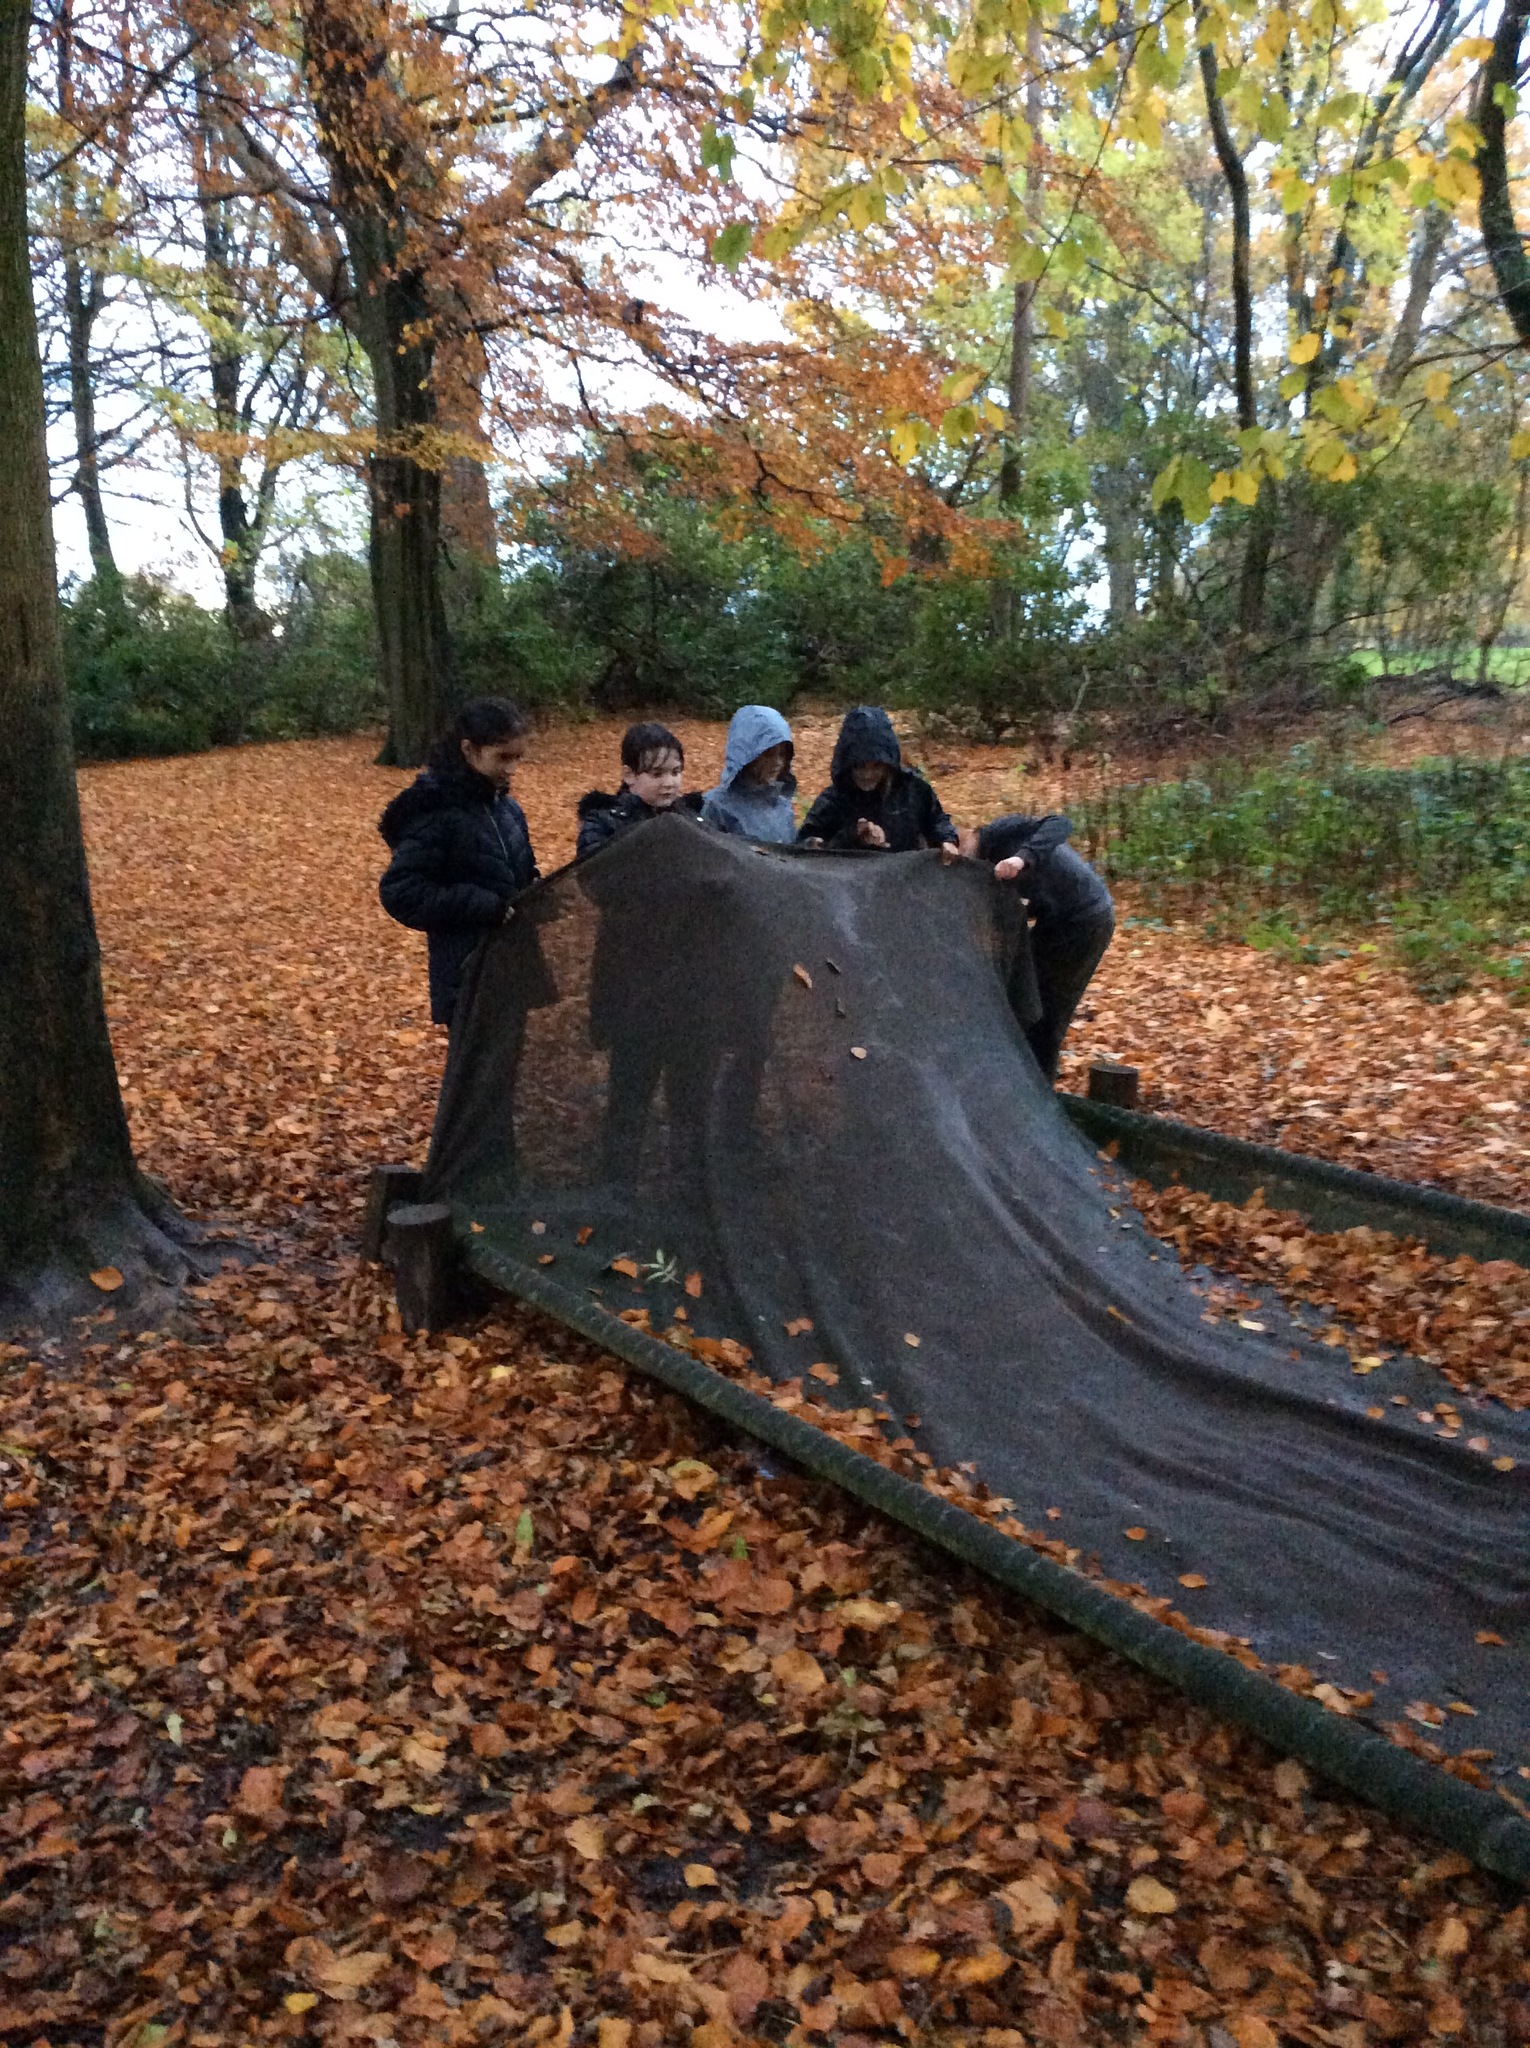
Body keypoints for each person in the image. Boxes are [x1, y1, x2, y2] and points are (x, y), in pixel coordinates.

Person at [378, 698, 538, 1028]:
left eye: (518, 758)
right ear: (468, 749)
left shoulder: (508, 810)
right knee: (480, 1061)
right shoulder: (438, 814)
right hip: (468, 974)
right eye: (503, 757)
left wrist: (538, 892)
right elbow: (401, 891)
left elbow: (520, 873)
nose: (512, 769)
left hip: (513, 966)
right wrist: (479, 905)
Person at [962, 812, 1115, 1082]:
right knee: (1022, 997)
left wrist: (1023, 857)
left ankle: (1040, 1089)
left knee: (1048, 1014)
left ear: (967, 834)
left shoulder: (1001, 833)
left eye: (960, 847)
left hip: (1086, 918)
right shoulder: (983, 873)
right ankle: (1015, 1079)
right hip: (1054, 922)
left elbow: (1060, 823)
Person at [798, 705, 958, 852]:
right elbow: (803, 847)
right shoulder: (833, 800)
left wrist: (947, 841)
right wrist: (853, 835)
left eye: (876, 766)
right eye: (860, 766)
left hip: (904, 872)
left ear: (888, 765)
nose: (867, 775)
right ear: (847, 765)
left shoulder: (913, 790)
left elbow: (937, 821)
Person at [576, 722, 704, 858]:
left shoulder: (692, 818)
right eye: (657, 774)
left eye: (675, 772)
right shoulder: (604, 825)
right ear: (629, 775)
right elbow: (593, 867)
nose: (669, 783)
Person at [701, 705, 797, 843]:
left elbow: (788, 852)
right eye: (769, 754)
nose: (778, 762)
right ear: (747, 755)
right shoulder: (716, 807)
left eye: (782, 754)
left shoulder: (782, 806)